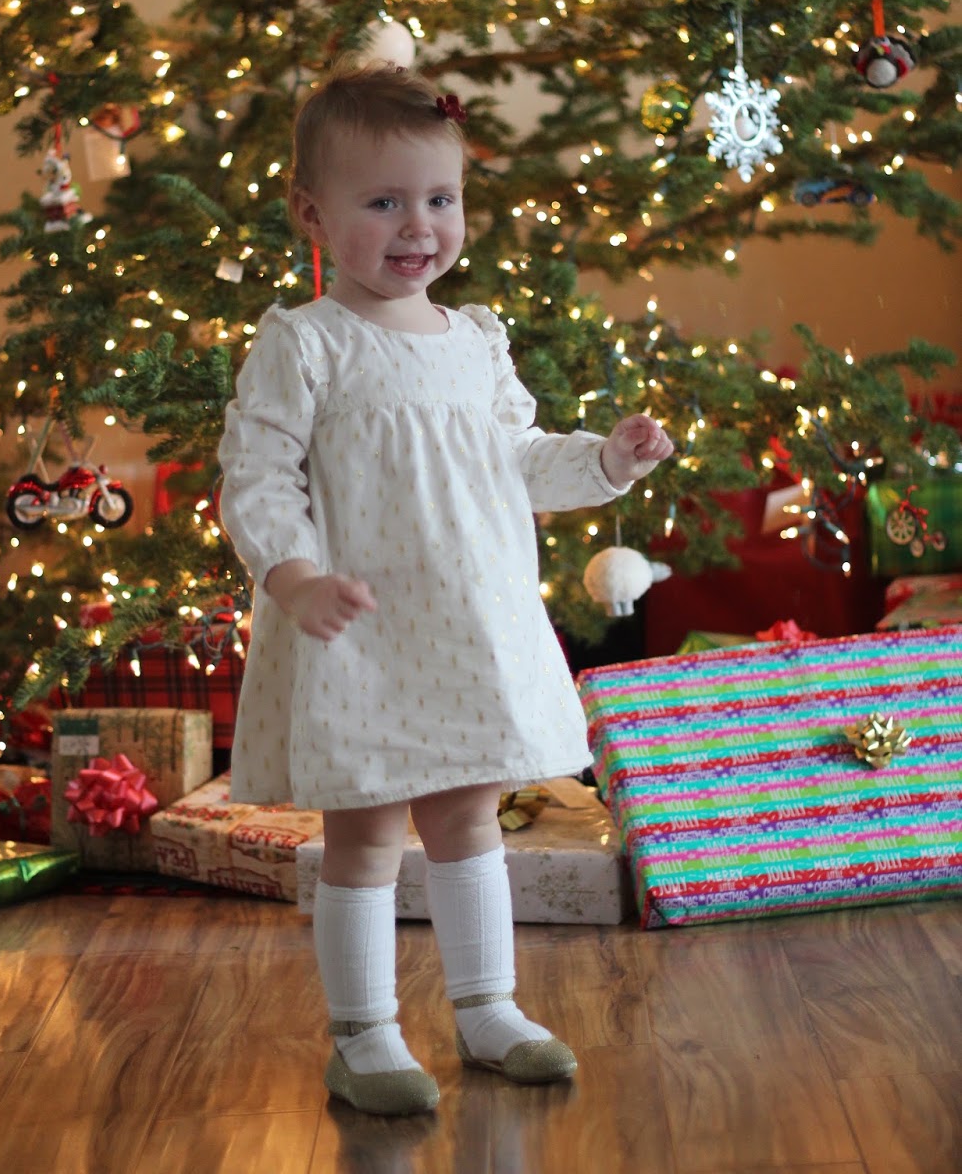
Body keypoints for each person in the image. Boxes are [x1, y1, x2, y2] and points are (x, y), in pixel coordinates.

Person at [218, 63, 673, 1116]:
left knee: (471, 821)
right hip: (359, 631)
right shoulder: (308, 342)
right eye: (383, 202)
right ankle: (364, 1032)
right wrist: (294, 576)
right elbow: (257, 475)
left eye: (439, 198)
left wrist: (606, 461)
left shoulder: (475, 341)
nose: (418, 226)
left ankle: (488, 1008)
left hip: (464, 625)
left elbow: (518, 458)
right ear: (312, 214)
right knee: (366, 834)